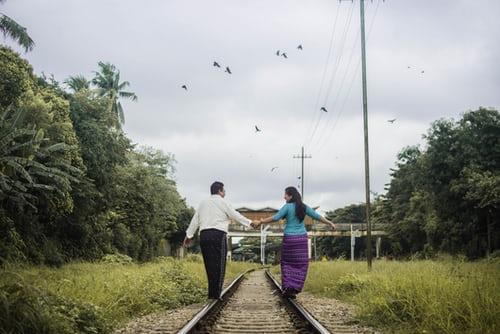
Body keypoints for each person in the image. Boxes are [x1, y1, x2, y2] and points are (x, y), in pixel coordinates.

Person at [254, 186, 335, 299]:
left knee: (287, 263)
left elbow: (276, 217)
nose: (284, 197)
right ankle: (295, 288)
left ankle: (288, 287)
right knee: (301, 264)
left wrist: (260, 222)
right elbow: (317, 216)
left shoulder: (287, 207)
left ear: (290, 196)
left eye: (285, 195)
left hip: (290, 239)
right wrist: (329, 223)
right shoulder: (303, 207)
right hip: (301, 239)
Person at [183, 181, 259, 300]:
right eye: (224, 190)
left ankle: (211, 294)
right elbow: (235, 215)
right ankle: (215, 294)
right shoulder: (223, 202)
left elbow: (195, 220)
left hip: (204, 235)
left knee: (209, 265)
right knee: (219, 265)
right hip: (218, 234)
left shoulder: (203, 203)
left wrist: (189, 235)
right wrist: (250, 223)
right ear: (220, 191)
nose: (225, 193)